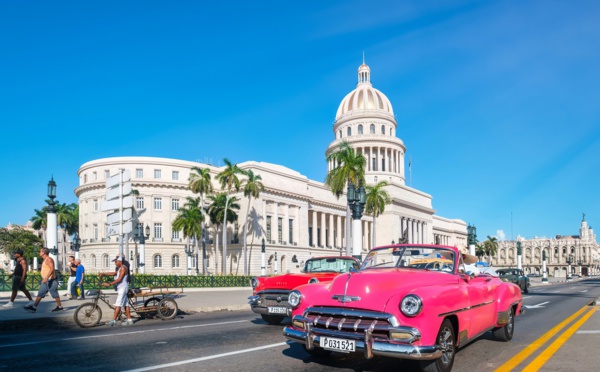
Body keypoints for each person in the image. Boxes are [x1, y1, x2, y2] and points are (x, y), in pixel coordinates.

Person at [24, 248, 63, 313]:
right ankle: (34, 307)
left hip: (50, 280)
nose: (39, 252)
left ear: (44, 253)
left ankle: (60, 307)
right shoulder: (45, 260)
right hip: (46, 281)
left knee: (54, 293)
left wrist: (46, 277)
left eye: (40, 251)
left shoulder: (49, 259)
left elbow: (52, 268)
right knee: (40, 293)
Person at [99, 256, 133, 326]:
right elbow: (114, 273)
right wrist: (104, 273)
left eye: (116, 262)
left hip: (123, 288)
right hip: (121, 288)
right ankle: (130, 320)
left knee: (118, 305)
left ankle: (113, 321)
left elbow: (119, 279)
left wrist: (109, 284)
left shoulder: (123, 268)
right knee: (126, 304)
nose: (115, 263)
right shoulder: (120, 268)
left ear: (120, 262)